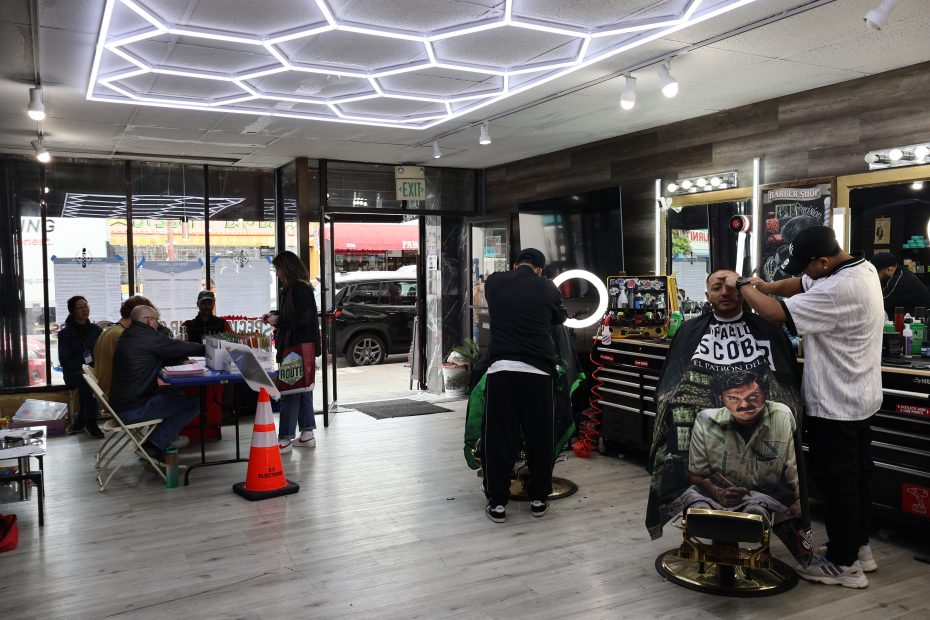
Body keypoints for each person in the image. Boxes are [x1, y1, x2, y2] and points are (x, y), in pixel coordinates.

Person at [726, 225, 883, 588]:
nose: (802, 273)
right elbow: (796, 285)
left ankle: (844, 566)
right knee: (857, 479)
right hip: (861, 398)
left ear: (823, 261)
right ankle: (858, 547)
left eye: (806, 265)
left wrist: (741, 286)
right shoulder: (859, 269)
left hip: (836, 403)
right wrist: (763, 284)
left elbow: (775, 314)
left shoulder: (837, 289)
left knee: (837, 483)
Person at [646, 269, 809, 564]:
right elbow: (671, 383)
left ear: (744, 292)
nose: (725, 293)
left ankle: (757, 510)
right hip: (705, 424)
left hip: (760, 423)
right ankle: (703, 510)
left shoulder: (768, 330)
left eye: (732, 287)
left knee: (781, 419)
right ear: (707, 294)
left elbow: (787, 386)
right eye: (717, 287)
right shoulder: (690, 330)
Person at [481, 248, 567, 523]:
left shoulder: (495, 282)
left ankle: (497, 503)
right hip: (537, 374)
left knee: (499, 439)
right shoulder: (547, 287)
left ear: (515, 264)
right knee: (539, 438)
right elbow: (559, 319)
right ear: (540, 269)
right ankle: (540, 498)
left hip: (502, 372)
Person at [685, 371, 800, 519]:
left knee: (755, 512)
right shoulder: (705, 420)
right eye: (733, 398)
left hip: (766, 495)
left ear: (765, 393)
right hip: (718, 493)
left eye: (753, 396)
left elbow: (795, 469)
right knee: (700, 509)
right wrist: (717, 491)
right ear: (722, 399)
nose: (744, 404)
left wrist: (799, 500)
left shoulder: (782, 416)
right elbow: (697, 474)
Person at [109, 305, 205, 463]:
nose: (157, 323)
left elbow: (160, 352)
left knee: (175, 394)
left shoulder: (130, 334)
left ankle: (166, 438)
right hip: (131, 409)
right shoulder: (147, 336)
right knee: (194, 403)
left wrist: (181, 360)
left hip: (121, 404)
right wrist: (209, 349)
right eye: (156, 319)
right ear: (148, 320)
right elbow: (176, 347)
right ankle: (154, 445)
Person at [263, 251, 320, 453]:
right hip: (304, 348)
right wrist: (276, 315)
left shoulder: (297, 289)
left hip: (296, 348)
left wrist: (278, 321)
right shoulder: (299, 287)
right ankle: (306, 434)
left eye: (278, 269)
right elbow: (297, 315)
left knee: (289, 391)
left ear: (286, 269)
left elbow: (301, 319)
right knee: (303, 389)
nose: (277, 273)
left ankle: (285, 439)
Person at [58, 295, 104, 437]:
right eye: (80, 307)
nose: (85, 310)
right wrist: (85, 367)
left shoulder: (96, 330)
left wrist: (94, 368)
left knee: (92, 380)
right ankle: (91, 422)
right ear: (73, 311)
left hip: (94, 371)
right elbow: (65, 360)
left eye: (86, 306)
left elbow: (101, 353)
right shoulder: (65, 334)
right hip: (73, 372)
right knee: (87, 382)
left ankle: (80, 422)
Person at [92, 295, 153, 397]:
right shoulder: (123, 336)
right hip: (119, 396)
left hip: (106, 393)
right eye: (148, 317)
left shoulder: (108, 332)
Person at [868, 252, 930, 319]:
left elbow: (878, 302)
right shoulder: (897, 273)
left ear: (889, 269)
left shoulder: (901, 280)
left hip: (919, 324)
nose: (872, 275)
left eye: (875, 272)